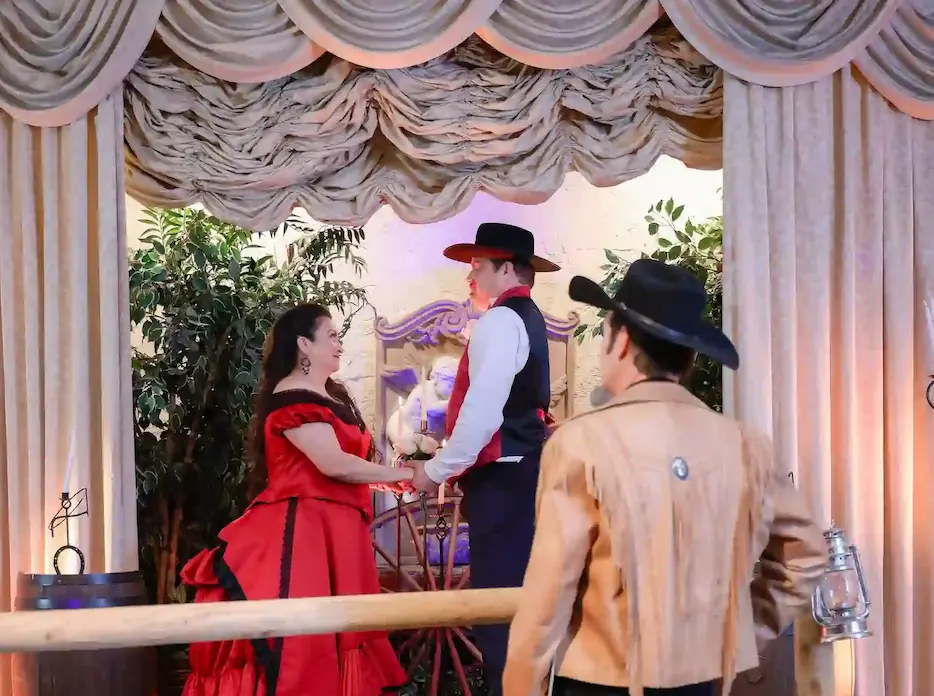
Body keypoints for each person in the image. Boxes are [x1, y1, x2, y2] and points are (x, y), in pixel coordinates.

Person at [502, 260, 827, 696]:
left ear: (620, 341)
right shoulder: (745, 445)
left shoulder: (581, 442)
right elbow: (804, 555)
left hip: (598, 681)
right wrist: (737, 634)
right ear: (689, 356)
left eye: (604, 333)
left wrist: (522, 686)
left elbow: (548, 594)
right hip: (699, 680)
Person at [181, 303, 412, 696]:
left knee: (339, 632)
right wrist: (404, 476)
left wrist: (391, 482)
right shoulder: (292, 397)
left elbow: (338, 471)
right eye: (332, 336)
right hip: (303, 535)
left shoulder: (329, 395)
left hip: (336, 531)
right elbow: (332, 465)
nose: (340, 345)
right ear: (304, 344)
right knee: (303, 642)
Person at [406, 222, 560, 695]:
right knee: (517, 612)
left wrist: (435, 471)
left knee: (500, 617)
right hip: (523, 478)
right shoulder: (527, 317)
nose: (470, 276)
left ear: (506, 269)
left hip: (504, 484)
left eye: (477, 265)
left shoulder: (501, 320)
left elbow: (482, 413)